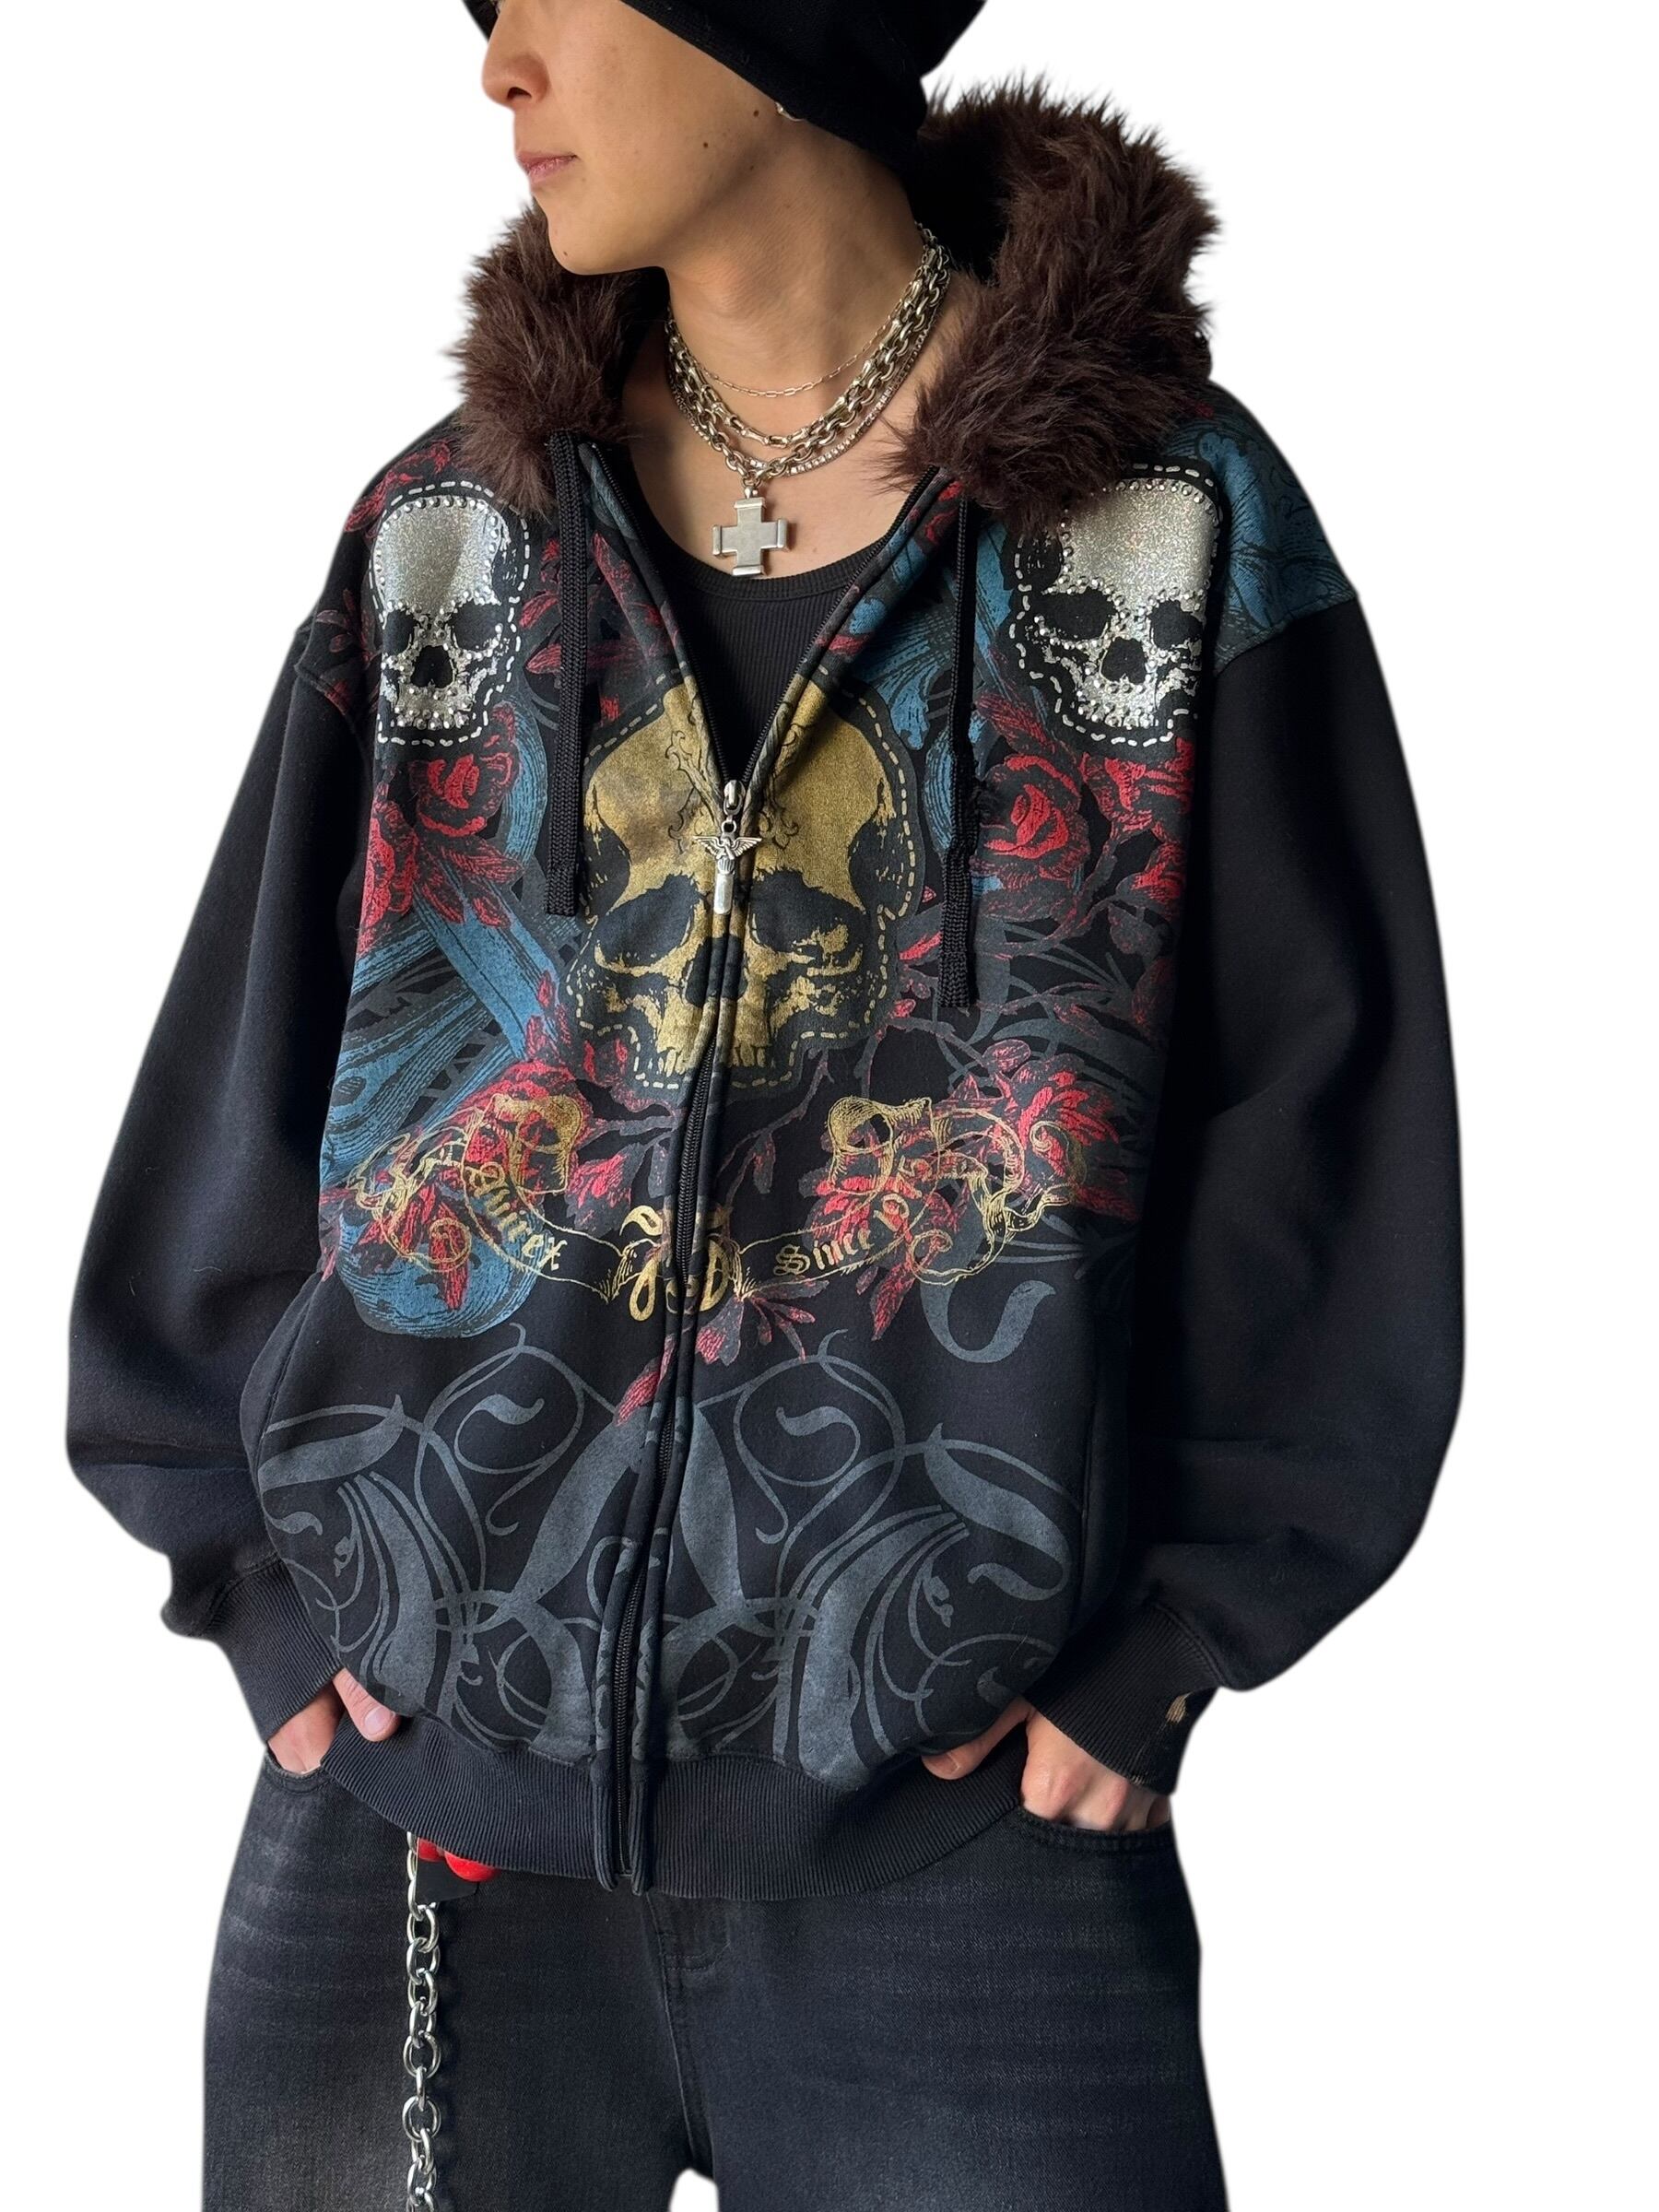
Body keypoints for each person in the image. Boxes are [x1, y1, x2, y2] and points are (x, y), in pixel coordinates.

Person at [64, 1, 1464, 2205]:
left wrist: (1180, 1638)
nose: (500, 67)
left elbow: (1324, 1115)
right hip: (418, 1821)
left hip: (965, 1848)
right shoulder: (453, 538)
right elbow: (255, 1062)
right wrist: (257, 1581)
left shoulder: (1167, 537)